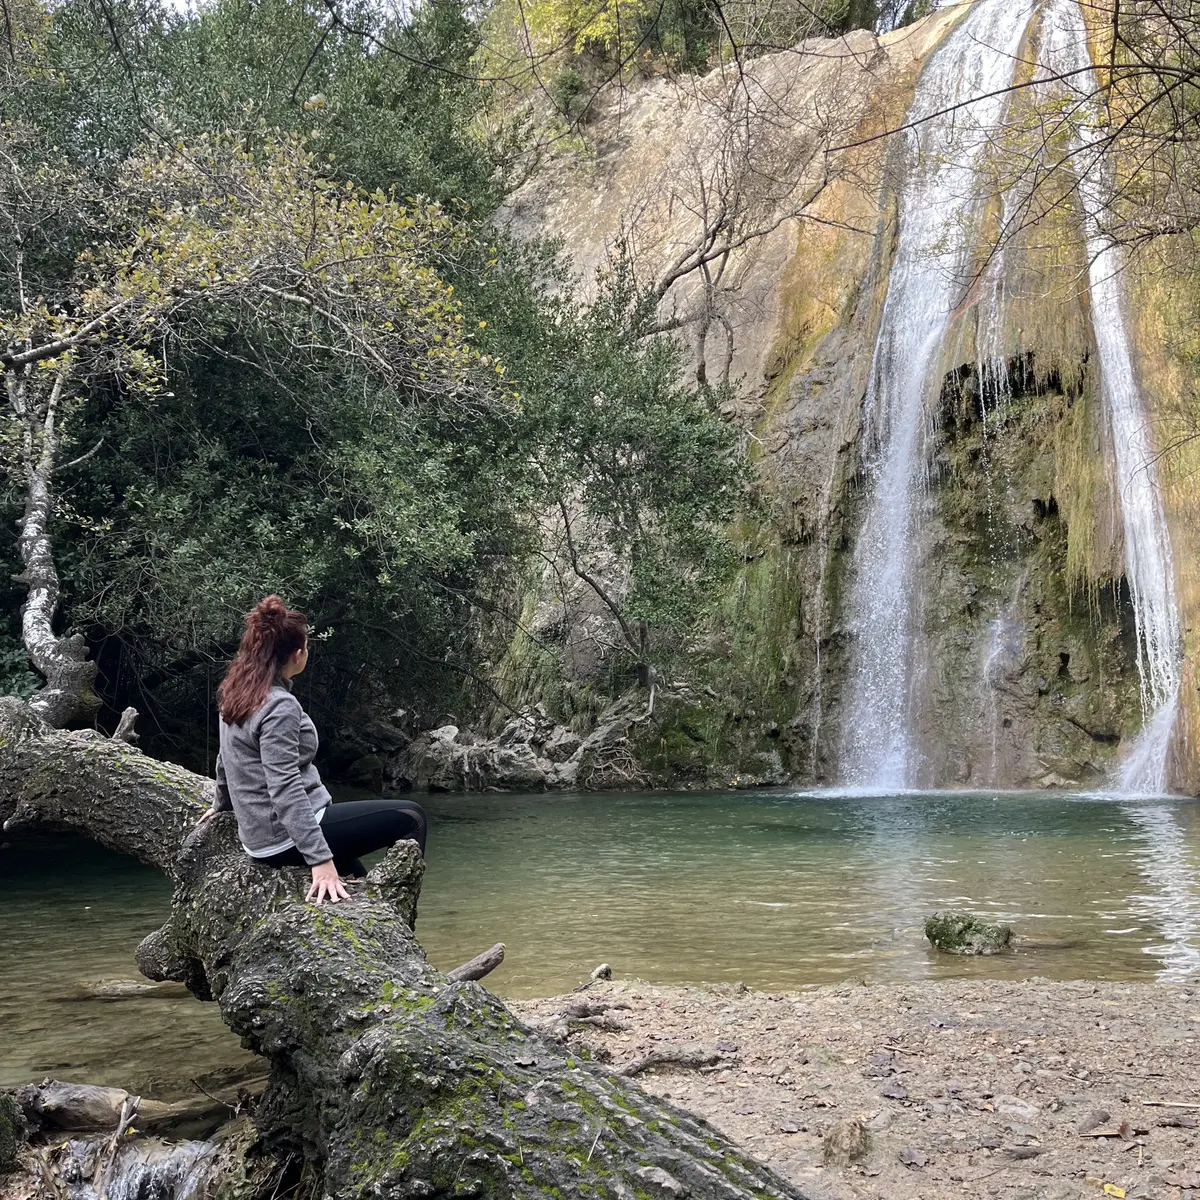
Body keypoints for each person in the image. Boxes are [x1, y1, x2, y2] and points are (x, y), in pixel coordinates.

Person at [198, 595, 426, 904]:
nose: (307, 652)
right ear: (296, 655)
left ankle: (383, 920)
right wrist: (319, 860)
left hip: (260, 839)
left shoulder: (234, 691)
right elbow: (285, 786)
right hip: (285, 837)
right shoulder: (278, 706)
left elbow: (227, 755)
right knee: (412, 816)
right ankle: (401, 909)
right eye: (306, 647)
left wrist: (221, 801)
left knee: (358, 885)